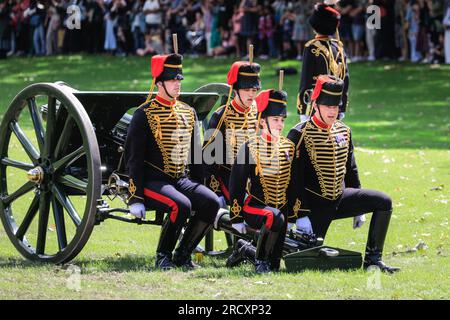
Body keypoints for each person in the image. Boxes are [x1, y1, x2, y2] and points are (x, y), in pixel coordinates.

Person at [288, 75, 400, 273]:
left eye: (336, 106)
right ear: (316, 105)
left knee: (384, 201)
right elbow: (293, 179)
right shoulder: (299, 133)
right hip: (314, 206)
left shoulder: (345, 131)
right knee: (304, 259)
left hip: (339, 199)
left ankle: (373, 261)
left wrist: (359, 208)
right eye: (328, 106)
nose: (333, 111)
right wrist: (300, 214)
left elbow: (351, 170)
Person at [125, 50, 220, 271]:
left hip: (181, 178)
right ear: (159, 83)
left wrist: (200, 189)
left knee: (211, 202)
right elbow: (134, 159)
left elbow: (195, 155)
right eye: (171, 79)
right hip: (152, 181)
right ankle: (163, 256)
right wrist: (135, 197)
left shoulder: (189, 112)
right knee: (181, 205)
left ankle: (182, 254)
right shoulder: (144, 114)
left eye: (179, 79)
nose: (178, 84)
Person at [225, 85, 301, 273]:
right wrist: (236, 217)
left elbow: (294, 185)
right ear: (261, 121)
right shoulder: (250, 147)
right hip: (255, 207)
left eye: (282, 120)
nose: (280, 125)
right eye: (275, 119)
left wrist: (292, 215)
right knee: (272, 216)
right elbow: (237, 184)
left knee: (275, 265)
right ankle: (260, 262)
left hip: (281, 211)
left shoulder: (289, 147)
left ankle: (245, 250)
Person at [203, 55, 261, 209]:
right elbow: (208, 158)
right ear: (235, 90)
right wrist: (216, 191)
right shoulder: (221, 116)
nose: (251, 94)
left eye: (254, 90)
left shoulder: (258, 112)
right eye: (246, 90)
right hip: (227, 178)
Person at [297, 1, 349, 122]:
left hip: (316, 107)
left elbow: (306, 80)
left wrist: (304, 109)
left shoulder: (312, 47)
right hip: (335, 107)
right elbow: (345, 80)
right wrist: (341, 107)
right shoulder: (339, 47)